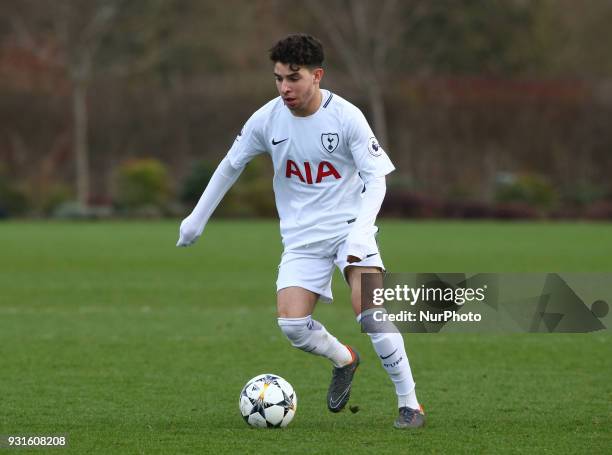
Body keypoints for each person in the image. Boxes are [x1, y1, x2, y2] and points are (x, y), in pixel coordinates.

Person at [177, 33, 424, 429]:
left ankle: (410, 405)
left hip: (350, 232)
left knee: (372, 315)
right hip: (301, 240)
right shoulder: (266, 119)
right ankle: (344, 358)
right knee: (292, 325)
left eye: (293, 78)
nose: (284, 88)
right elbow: (230, 165)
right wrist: (196, 219)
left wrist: (363, 232)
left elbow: (377, 179)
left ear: (317, 76)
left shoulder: (346, 117)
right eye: (278, 78)